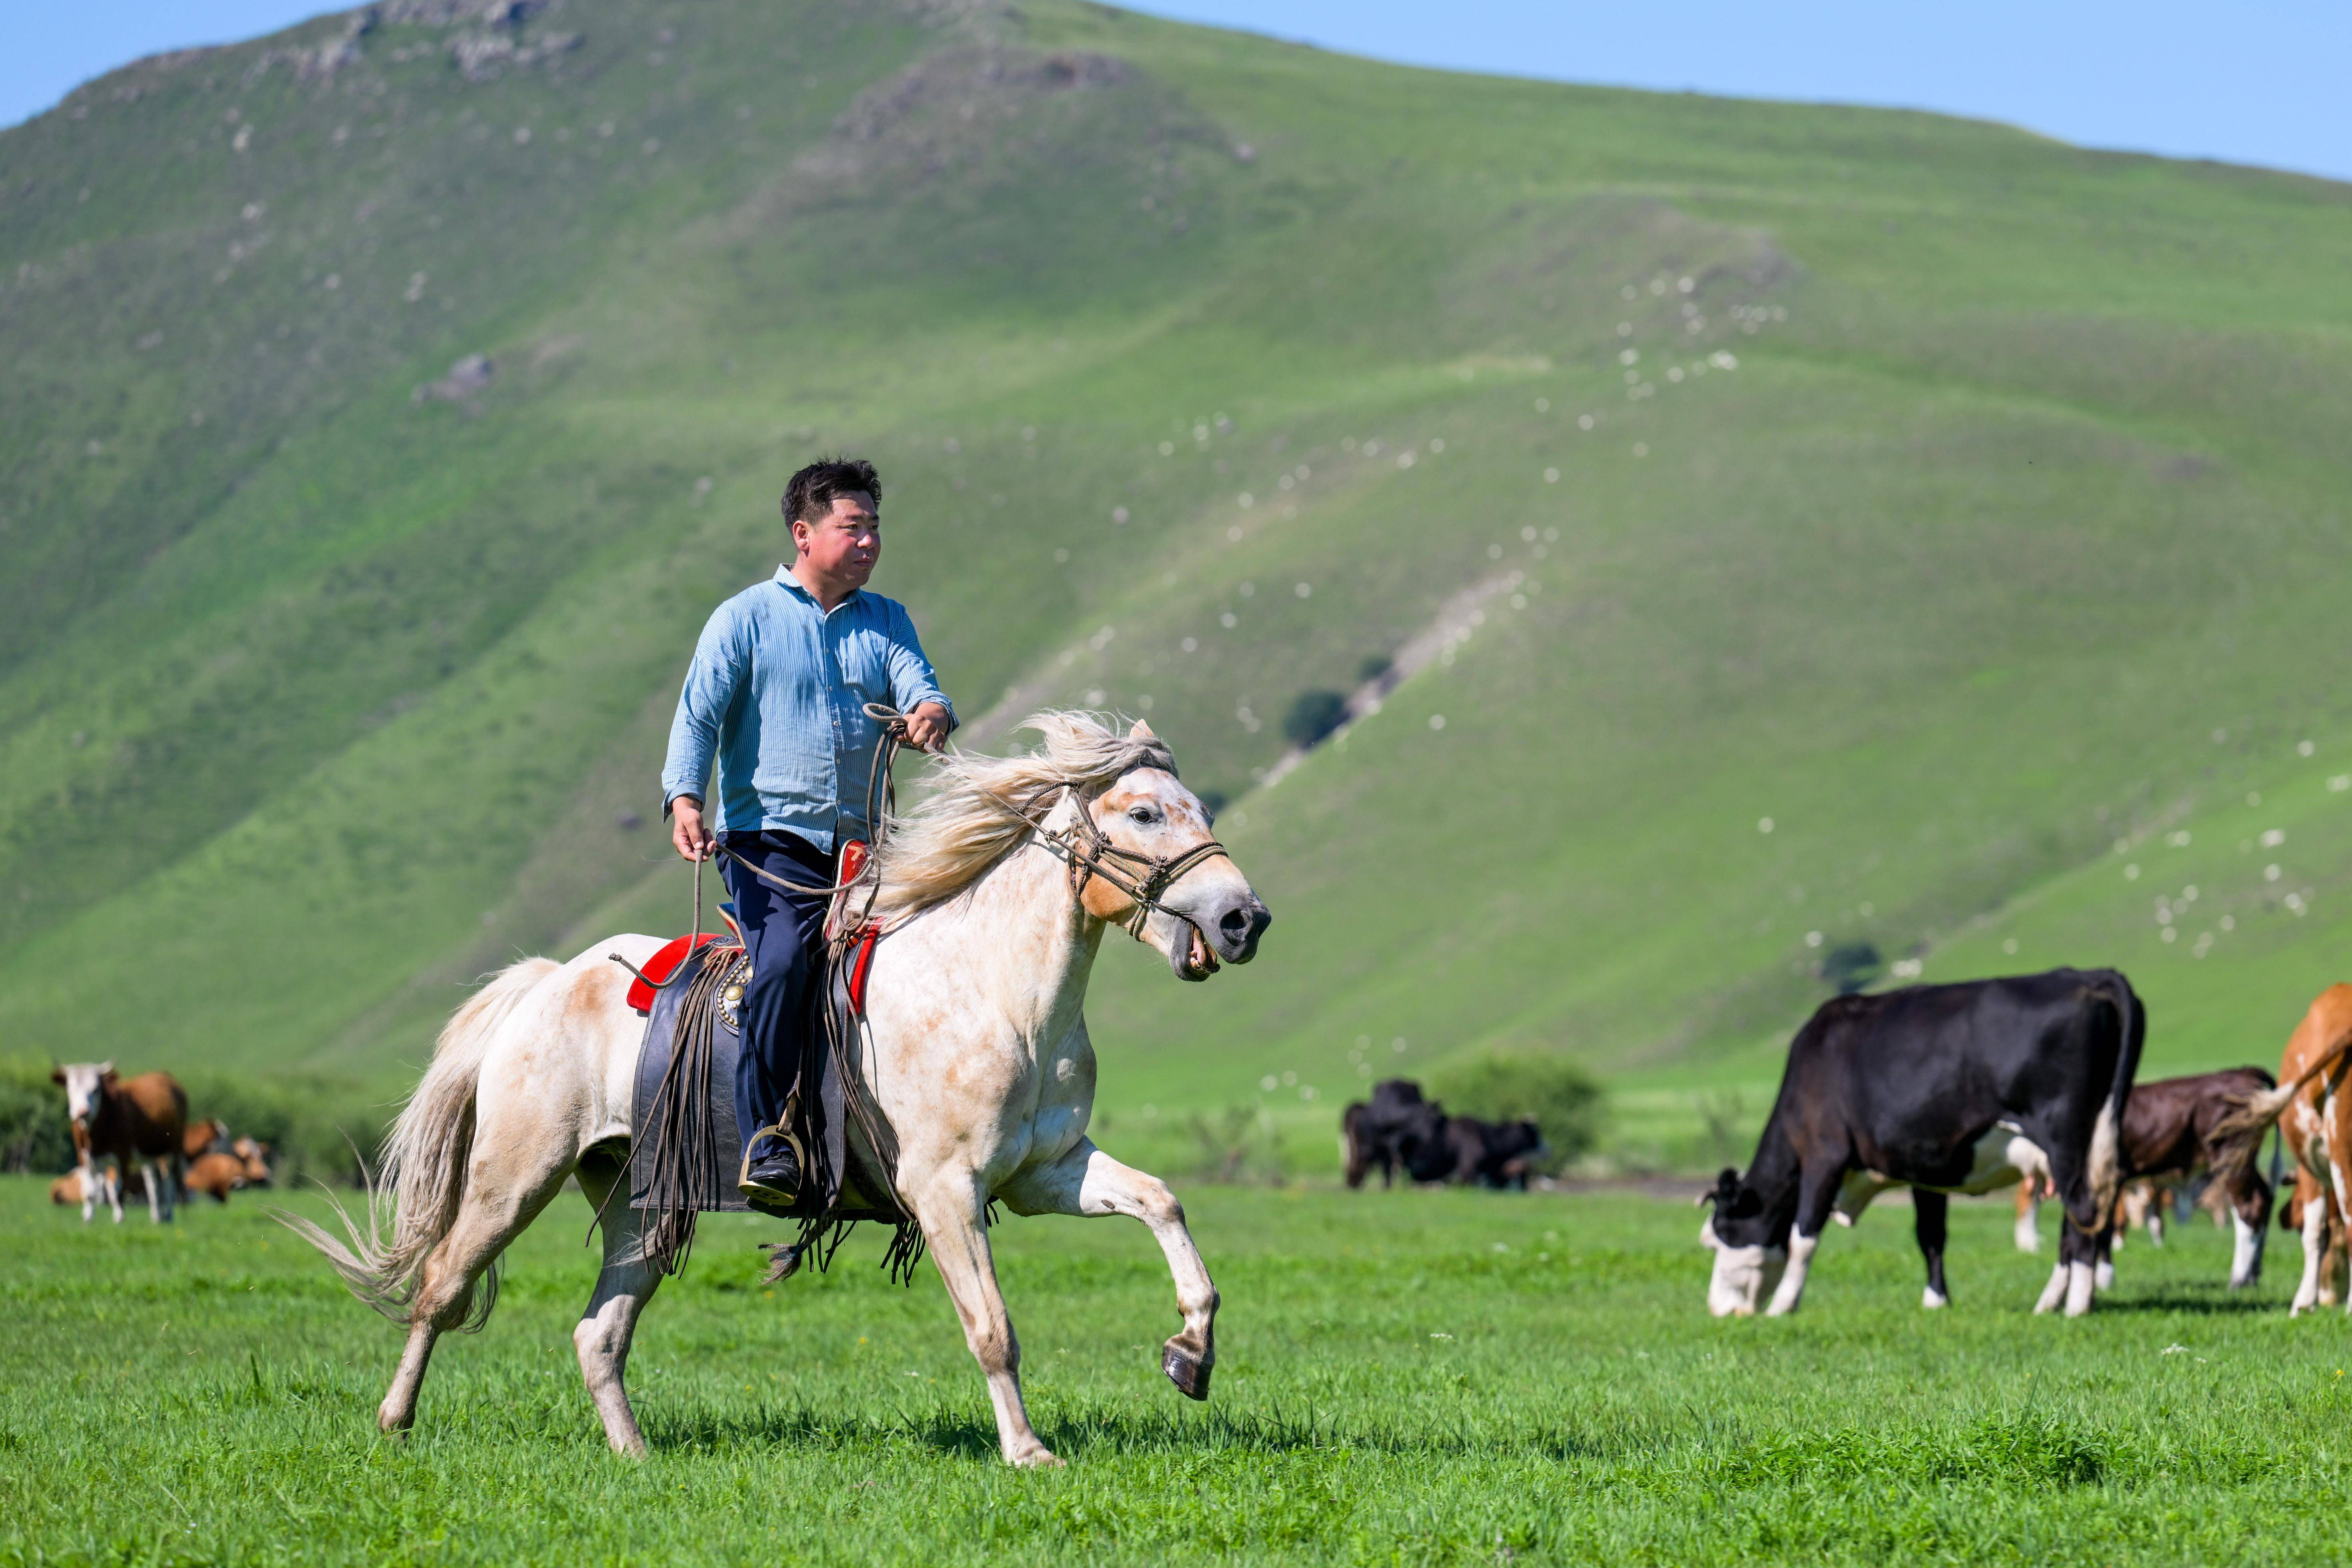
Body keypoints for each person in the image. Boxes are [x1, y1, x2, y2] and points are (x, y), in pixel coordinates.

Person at [661, 458, 954, 1212]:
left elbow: (919, 683)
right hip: (770, 844)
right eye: (852, 527)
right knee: (786, 961)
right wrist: (685, 797)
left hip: (863, 847)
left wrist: (931, 713)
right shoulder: (745, 617)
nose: (869, 542)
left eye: (874, 528)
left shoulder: (886, 619)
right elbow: (698, 714)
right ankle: (768, 1138)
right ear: (804, 533)